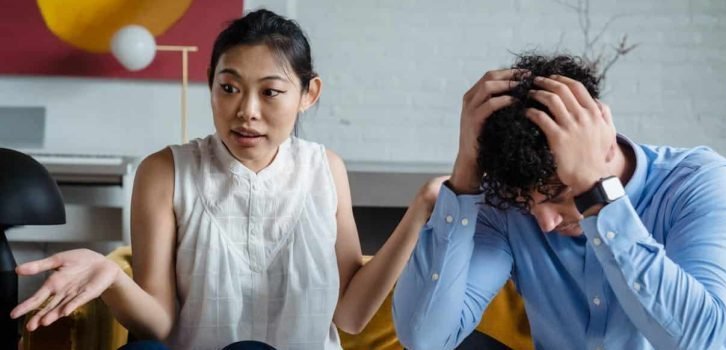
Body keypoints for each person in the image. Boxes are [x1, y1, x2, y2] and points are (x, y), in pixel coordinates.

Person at [11, 9, 441, 350]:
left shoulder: (325, 169)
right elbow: (160, 323)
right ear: (211, 85)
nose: (246, 110)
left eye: (270, 92)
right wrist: (109, 274)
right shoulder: (165, 171)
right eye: (229, 88)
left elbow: (349, 316)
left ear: (308, 95)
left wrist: (421, 208)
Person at [392, 54, 726, 350]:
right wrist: (465, 176)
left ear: (605, 143)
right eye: (525, 202)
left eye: (561, 195)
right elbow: (425, 339)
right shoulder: (507, 206)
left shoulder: (702, 182)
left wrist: (598, 195)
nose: (545, 223)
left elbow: (705, 343)